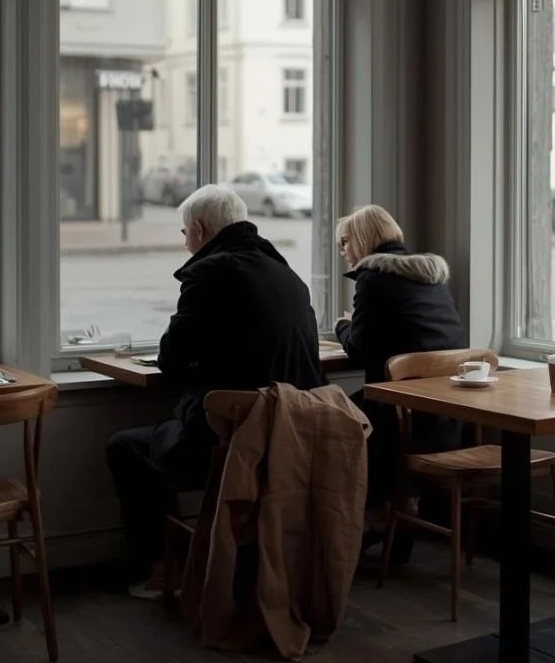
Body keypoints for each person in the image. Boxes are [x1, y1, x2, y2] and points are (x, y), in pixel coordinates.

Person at [106, 183, 325, 598]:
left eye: (185, 233)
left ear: (201, 231)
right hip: (290, 442)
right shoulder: (289, 275)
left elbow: (172, 359)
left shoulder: (208, 272)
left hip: (231, 443)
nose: (185, 243)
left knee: (125, 448)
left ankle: (161, 571)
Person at [334, 205, 466, 542]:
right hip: (445, 412)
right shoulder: (429, 277)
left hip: (398, 414)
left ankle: (365, 519)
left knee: (331, 424)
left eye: (345, 241)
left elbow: (360, 349)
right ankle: (397, 512)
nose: (343, 251)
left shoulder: (373, 279)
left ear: (363, 239)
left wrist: (343, 325)